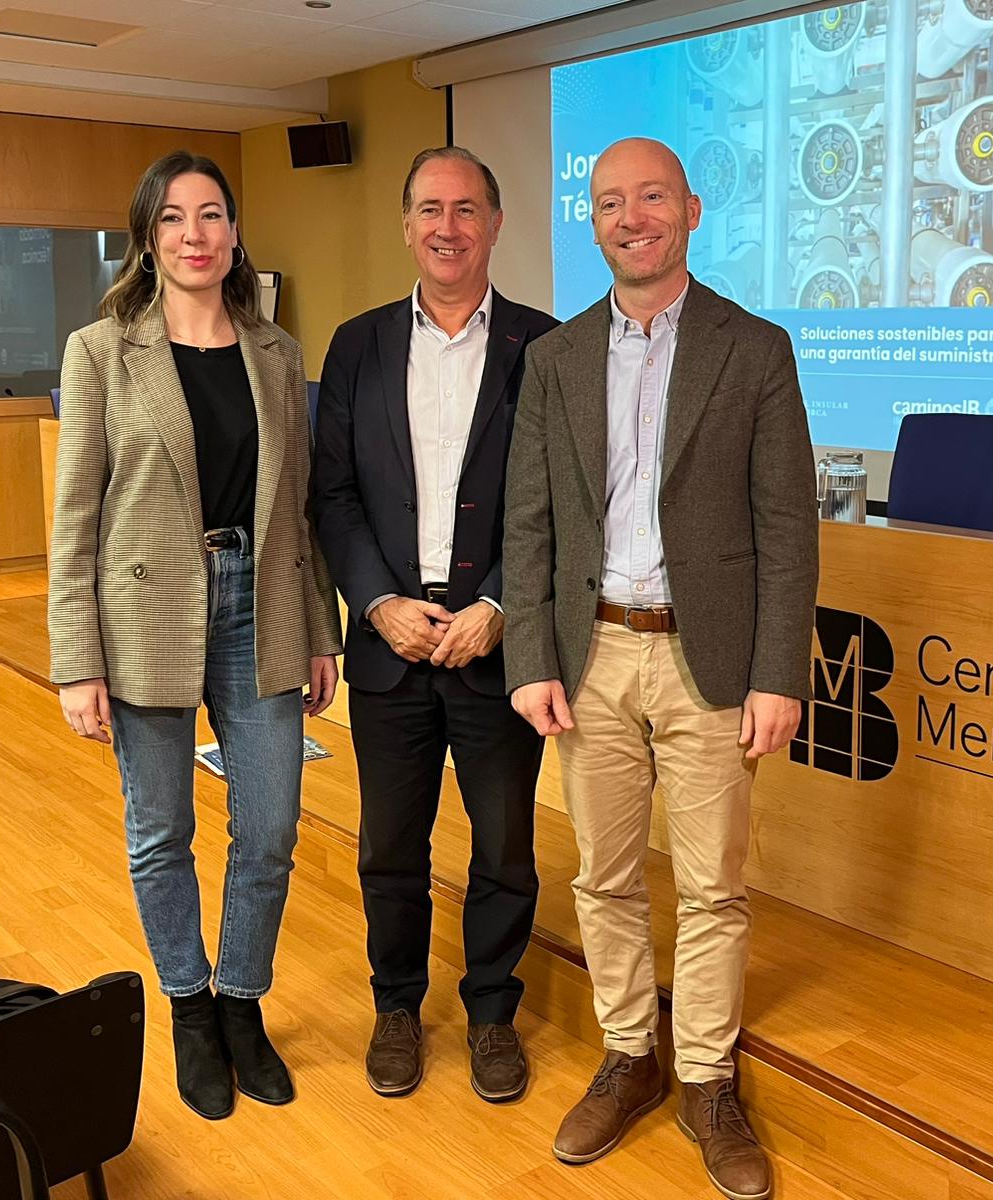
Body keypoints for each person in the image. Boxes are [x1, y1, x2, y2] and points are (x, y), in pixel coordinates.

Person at [502, 137, 817, 1200]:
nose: (630, 217)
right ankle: (630, 1055)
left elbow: (787, 527)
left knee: (713, 887)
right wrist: (530, 656)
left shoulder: (754, 349)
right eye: (608, 203)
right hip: (589, 655)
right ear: (591, 222)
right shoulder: (555, 359)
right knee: (601, 876)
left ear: (689, 210)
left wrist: (779, 673)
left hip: (708, 661)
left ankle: (707, 1081)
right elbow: (529, 522)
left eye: (649, 198)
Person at [48, 149, 341, 1122]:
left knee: (270, 828)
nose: (194, 235)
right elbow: (74, 517)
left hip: (262, 604)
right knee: (159, 830)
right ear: (147, 238)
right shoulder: (101, 351)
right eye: (172, 218)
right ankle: (188, 1006)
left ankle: (241, 1003)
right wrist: (76, 662)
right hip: (146, 613)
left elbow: (298, 507)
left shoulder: (276, 352)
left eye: (210, 214)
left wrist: (322, 630)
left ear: (234, 232)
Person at [310, 147, 557, 1103]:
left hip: (496, 649)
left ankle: (492, 1013)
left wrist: (498, 604)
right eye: (428, 209)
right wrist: (377, 603)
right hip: (391, 646)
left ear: (494, 223)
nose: (446, 227)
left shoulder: (546, 347)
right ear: (406, 224)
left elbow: (560, 501)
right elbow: (334, 496)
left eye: (464, 209)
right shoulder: (356, 345)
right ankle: (397, 1008)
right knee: (389, 848)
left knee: (504, 850)